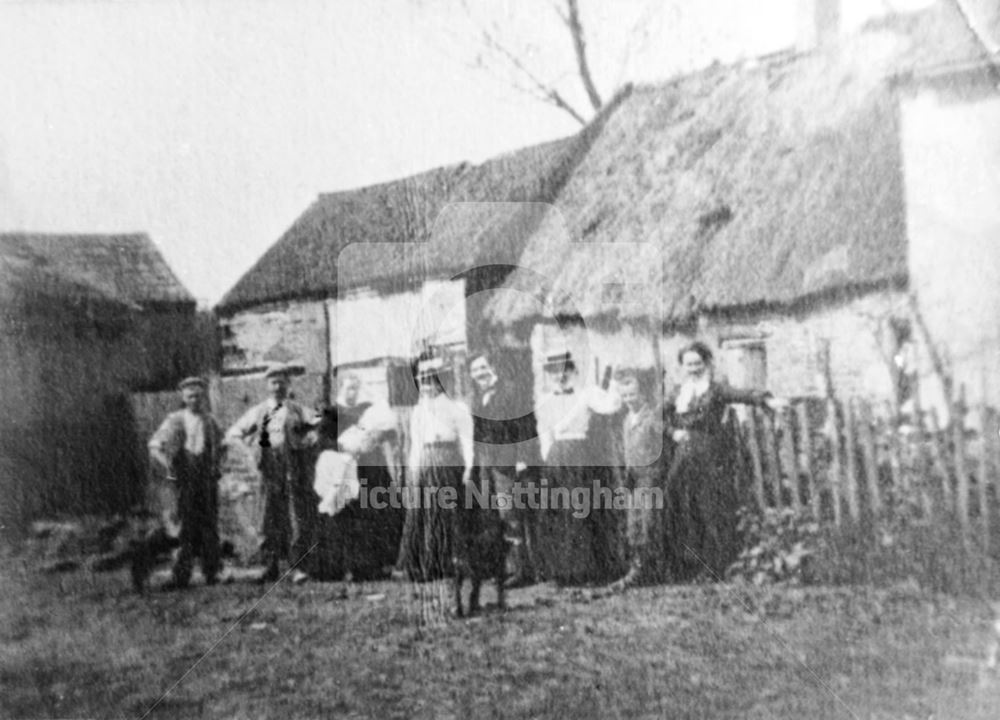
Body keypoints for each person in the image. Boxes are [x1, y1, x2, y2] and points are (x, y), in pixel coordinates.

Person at [663, 341, 785, 580]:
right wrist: (673, 432)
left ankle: (714, 568)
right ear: (682, 367)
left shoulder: (716, 390)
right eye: (689, 364)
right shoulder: (678, 392)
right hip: (683, 457)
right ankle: (685, 566)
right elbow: (658, 417)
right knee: (682, 509)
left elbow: (743, 395)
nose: (694, 368)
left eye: (698, 363)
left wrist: (767, 400)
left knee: (710, 510)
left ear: (707, 363)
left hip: (709, 456)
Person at [534, 349, 622, 585]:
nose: (559, 376)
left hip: (581, 455)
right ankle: (563, 571)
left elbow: (611, 405)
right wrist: (549, 460)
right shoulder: (544, 401)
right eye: (553, 372)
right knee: (558, 513)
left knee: (582, 510)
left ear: (573, 371)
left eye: (564, 370)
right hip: (556, 458)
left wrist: (612, 378)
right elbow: (545, 434)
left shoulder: (587, 394)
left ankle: (588, 570)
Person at [226, 364, 319, 584]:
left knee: (295, 516)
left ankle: (297, 568)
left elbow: (319, 423)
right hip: (268, 470)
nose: (278, 387)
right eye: (273, 383)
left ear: (289, 385)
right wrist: (249, 454)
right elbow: (233, 434)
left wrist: (310, 437)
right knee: (268, 518)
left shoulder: (297, 409)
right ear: (267, 386)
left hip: (293, 467)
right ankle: (270, 566)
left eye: (282, 383)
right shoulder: (258, 411)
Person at [314, 372, 403, 580]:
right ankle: (344, 566)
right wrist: (343, 446)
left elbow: (388, 432)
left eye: (356, 388)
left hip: (369, 469)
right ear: (341, 389)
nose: (352, 392)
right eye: (348, 388)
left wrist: (377, 437)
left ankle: (373, 566)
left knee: (372, 515)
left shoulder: (367, 409)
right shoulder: (332, 412)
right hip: (344, 469)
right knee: (346, 517)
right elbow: (324, 440)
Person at [468, 349, 542, 588]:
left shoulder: (510, 392)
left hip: (507, 463)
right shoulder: (478, 398)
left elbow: (524, 426)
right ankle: (499, 568)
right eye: (474, 370)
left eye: (482, 367)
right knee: (491, 516)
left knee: (510, 515)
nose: (479, 373)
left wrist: (522, 458)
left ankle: (522, 570)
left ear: (493, 368)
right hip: (486, 463)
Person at [397, 353, 474, 581]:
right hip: (424, 461)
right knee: (420, 512)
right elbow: (415, 443)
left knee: (443, 513)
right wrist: (412, 470)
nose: (427, 384)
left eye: (431, 379)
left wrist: (469, 467)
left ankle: (443, 564)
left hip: (447, 459)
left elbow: (466, 440)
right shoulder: (418, 410)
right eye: (422, 379)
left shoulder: (456, 406)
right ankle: (419, 566)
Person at [147, 376, 224, 590]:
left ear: (204, 397)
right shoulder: (175, 420)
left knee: (210, 525)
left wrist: (217, 466)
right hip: (184, 480)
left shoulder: (211, 421)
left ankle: (212, 572)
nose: (195, 400)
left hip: (206, 480)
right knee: (184, 526)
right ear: (183, 397)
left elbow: (222, 447)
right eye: (190, 396)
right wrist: (168, 465)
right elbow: (154, 445)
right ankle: (181, 574)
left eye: (199, 396)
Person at [611, 368, 669, 590]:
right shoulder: (627, 419)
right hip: (633, 477)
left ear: (643, 393)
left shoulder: (652, 416)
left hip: (649, 476)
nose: (628, 400)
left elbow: (666, 437)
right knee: (633, 521)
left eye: (632, 395)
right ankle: (637, 567)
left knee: (647, 521)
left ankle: (647, 570)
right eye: (624, 396)